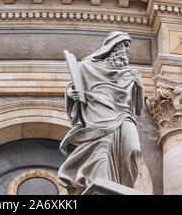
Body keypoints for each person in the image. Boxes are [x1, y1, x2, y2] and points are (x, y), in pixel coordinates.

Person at [58, 31, 144, 195]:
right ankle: (104, 186)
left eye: (127, 47)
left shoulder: (129, 73)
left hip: (124, 116)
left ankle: (123, 188)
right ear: (112, 47)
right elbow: (74, 87)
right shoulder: (88, 66)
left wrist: (138, 85)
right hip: (98, 115)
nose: (126, 50)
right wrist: (71, 94)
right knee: (101, 152)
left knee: (133, 150)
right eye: (123, 46)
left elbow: (137, 108)